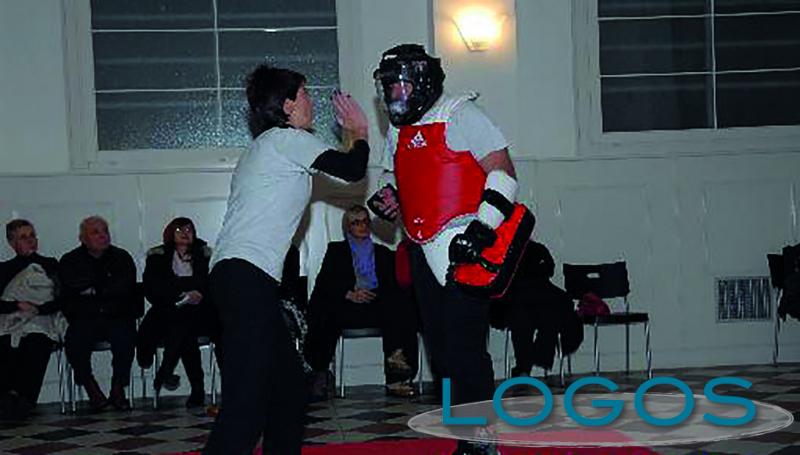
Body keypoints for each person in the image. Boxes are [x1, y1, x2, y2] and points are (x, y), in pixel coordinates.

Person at [202, 65, 370, 455]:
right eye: (306, 94)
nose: (312, 101)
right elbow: (351, 169)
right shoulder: (285, 139)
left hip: (242, 279)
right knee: (247, 402)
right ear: (288, 105)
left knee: (290, 389)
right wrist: (359, 132)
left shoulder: (266, 147)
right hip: (245, 279)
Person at [371, 44, 520, 455]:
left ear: (421, 80)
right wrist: (389, 198)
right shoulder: (397, 130)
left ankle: (484, 440)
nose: (394, 95)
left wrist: (482, 228)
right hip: (419, 248)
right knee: (440, 350)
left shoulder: (462, 114)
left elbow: (504, 176)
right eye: (388, 87)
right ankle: (465, 437)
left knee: (465, 347)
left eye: (399, 84)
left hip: (463, 247)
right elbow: (398, 180)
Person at [305, 205, 418, 400]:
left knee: (399, 309)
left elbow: (393, 285)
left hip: (377, 302)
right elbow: (325, 284)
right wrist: (348, 293)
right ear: (348, 227)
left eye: (365, 221)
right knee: (326, 311)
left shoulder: (382, 253)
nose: (362, 226)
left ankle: (398, 377)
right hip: (347, 303)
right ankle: (319, 372)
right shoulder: (336, 251)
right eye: (356, 222)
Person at [137, 217, 221, 408]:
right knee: (183, 327)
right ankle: (196, 387)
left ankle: (166, 370)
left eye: (189, 229)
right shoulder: (158, 257)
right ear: (170, 234)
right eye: (179, 230)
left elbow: (213, 284)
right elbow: (152, 289)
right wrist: (181, 294)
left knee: (184, 325)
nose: (185, 233)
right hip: (167, 311)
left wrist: (198, 294)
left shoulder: (204, 255)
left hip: (201, 311)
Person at [60, 216, 138, 412]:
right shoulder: (70, 260)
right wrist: (104, 286)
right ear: (83, 238)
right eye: (96, 232)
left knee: (125, 339)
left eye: (105, 231)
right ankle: (91, 387)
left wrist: (94, 289)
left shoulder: (122, 257)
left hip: (116, 314)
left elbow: (124, 287)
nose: (103, 236)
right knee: (75, 341)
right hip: (85, 317)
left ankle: (118, 387)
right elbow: (71, 286)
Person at [0, 220, 65, 420]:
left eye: (32, 236)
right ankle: (7, 396)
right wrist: (17, 305)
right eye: (23, 237)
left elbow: (61, 298)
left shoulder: (50, 265)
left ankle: (24, 399)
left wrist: (38, 308)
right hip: (12, 317)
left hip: (42, 317)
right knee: (5, 343)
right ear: (11, 242)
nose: (30, 241)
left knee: (37, 342)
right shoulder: (3, 269)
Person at [489, 241, 583, 377]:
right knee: (532, 316)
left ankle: (523, 368)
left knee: (523, 318)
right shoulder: (533, 250)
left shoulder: (508, 250)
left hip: (519, 297)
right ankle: (538, 357)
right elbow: (549, 269)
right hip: (526, 297)